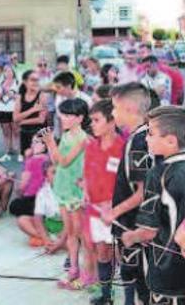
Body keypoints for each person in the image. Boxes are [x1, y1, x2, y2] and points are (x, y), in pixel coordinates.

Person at [122, 106, 185, 305]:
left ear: (171, 141)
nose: (146, 138)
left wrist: (131, 236)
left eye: (150, 133)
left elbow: (149, 231)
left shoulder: (158, 174)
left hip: (167, 270)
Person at [105, 82, 154, 305]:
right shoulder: (143, 137)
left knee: (138, 281)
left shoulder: (139, 142)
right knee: (132, 276)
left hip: (135, 226)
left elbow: (143, 193)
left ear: (130, 109)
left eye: (115, 107)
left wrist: (114, 212)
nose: (112, 113)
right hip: (135, 226)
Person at [40, 98, 91, 290]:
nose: (63, 118)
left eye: (68, 115)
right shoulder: (68, 135)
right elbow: (55, 160)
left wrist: (50, 142)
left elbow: (65, 161)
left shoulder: (82, 138)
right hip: (62, 188)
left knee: (81, 234)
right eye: (63, 114)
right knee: (70, 232)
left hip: (75, 191)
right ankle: (73, 268)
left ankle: (87, 273)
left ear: (80, 118)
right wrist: (52, 144)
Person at [81, 99, 125, 305]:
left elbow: (128, 184)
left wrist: (113, 205)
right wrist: (85, 191)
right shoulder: (91, 146)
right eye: (92, 120)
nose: (93, 124)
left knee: (122, 253)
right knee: (102, 252)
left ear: (111, 121)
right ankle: (106, 295)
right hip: (95, 211)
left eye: (97, 120)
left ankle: (132, 294)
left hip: (117, 212)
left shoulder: (123, 148)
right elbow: (87, 173)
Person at [9, 136, 51, 246]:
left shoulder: (31, 161)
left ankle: (41, 235)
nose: (33, 145)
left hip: (33, 199)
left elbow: (22, 186)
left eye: (37, 142)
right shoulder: (49, 159)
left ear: (44, 145)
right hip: (46, 199)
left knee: (14, 206)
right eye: (32, 142)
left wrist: (15, 186)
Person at [14, 70, 47, 161]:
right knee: (27, 163)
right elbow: (15, 118)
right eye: (32, 80)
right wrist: (33, 109)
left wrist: (22, 121)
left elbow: (41, 119)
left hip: (38, 134)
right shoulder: (20, 97)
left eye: (37, 80)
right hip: (24, 134)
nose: (35, 82)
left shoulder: (42, 96)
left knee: (39, 162)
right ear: (25, 82)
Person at [0, 64, 19, 161]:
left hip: (14, 109)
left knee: (15, 130)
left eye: (10, 71)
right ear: (4, 73)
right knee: (6, 131)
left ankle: (16, 148)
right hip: (2, 109)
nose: (8, 73)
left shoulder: (17, 83)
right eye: (6, 71)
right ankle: (7, 150)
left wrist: (10, 93)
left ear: (13, 73)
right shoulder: (0, 83)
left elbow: (19, 97)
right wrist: (0, 93)